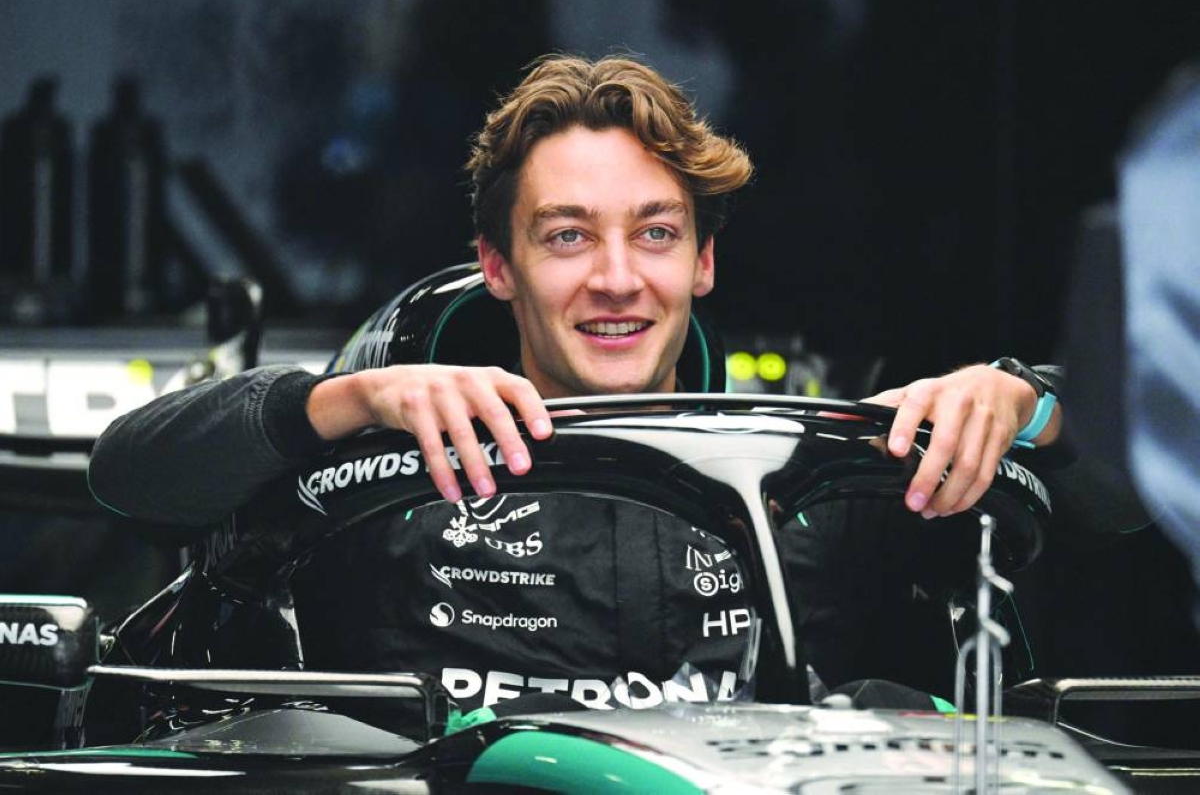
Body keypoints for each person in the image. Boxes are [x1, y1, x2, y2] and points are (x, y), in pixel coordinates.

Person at [89, 55, 1064, 717]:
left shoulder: (835, 474)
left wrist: (1029, 403)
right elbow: (128, 474)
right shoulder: (376, 468)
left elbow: (1145, 492)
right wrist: (342, 403)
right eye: (567, 235)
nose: (615, 277)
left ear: (703, 261)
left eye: (654, 231)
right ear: (498, 265)